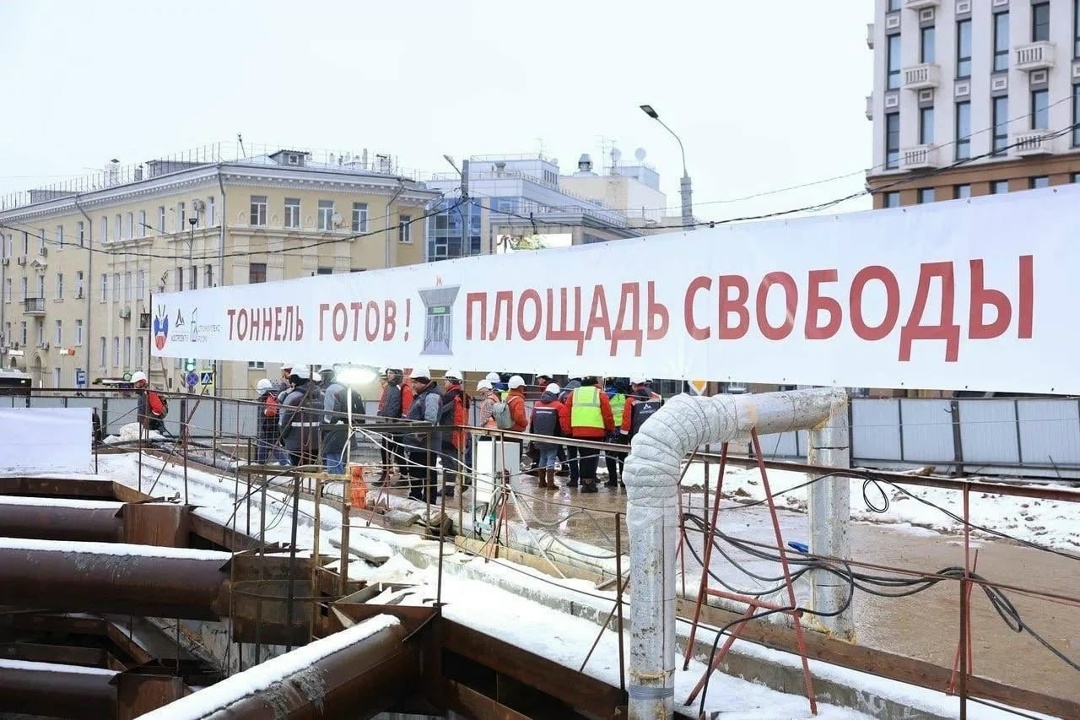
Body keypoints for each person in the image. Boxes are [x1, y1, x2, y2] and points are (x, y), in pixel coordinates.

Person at [564, 375, 614, 493]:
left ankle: (584, 480)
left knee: (583, 457)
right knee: (592, 458)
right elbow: (607, 414)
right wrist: (610, 429)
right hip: (596, 431)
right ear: (595, 383)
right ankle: (588, 483)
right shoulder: (600, 394)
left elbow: (566, 414)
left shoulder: (574, 394)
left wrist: (568, 430)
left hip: (578, 431)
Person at [403, 368, 443, 503]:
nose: (412, 385)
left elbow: (430, 421)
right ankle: (416, 496)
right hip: (418, 444)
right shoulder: (423, 395)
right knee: (416, 471)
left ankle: (428, 501)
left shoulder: (431, 397)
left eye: (415, 382)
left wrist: (418, 435)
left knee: (427, 472)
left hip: (425, 444)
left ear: (423, 381)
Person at [279, 366, 323, 467]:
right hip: (316, 443)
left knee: (297, 471)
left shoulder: (292, 397)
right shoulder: (321, 396)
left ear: (296, 379)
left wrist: (282, 438)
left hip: (295, 444)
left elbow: (283, 423)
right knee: (311, 470)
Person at [529, 383, 568, 489]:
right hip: (553, 437)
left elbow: (532, 420)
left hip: (539, 436)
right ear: (557, 394)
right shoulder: (559, 406)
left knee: (542, 457)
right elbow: (563, 422)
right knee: (551, 457)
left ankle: (541, 482)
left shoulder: (537, 404)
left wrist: (532, 435)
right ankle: (550, 483)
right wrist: (565, 434)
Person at [438, 370, 469, 498]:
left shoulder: (449, 397)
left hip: (448, 434)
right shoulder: (463, 396)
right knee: (455, 460)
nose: (444, 383)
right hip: (459, 434)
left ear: (451, 381)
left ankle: (449, 488)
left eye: (446, 380)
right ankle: (456, 483)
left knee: (448, 463)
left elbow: (439, 413)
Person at [376, 368, 410, 483]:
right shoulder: (388, 388)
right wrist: (379, 416)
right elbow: (383, 403)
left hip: (398, 426)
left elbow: (406, 408)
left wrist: (402, 421)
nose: (388, 375)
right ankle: (385, 474)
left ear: (397, 374)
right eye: (388, 373)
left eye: (391, 373)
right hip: (387, 424)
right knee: (384, 450)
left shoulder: (404, 388)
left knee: (398, 451)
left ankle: (404, 475)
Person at [320, 366, 351, 474]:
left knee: (332, 455)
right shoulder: (343, 387)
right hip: (345, 426)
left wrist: (325, 425)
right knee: (340, 456)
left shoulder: (331, 389)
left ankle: (335, 479)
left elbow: (329, 413)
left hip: (334, 428)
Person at [557, 375, 583, 485]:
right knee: (584, 455)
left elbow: (561, 411)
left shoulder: (563, 394)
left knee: (572, 455)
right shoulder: (583, 393)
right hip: (581, 427)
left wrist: (565, 428)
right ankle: (585, 478)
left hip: (568, 429)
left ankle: (574, 479)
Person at [604, 378, 629, 488]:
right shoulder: (625, 396)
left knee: (610, 455)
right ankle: (623, 480)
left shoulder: (606, 396)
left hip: (611, 429)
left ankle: (612, 480)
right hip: (622, 429)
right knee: (623, 455)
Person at [132, 371, 169, 435]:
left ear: (142, 382)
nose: (134, 385)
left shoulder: (149, 393)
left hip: (153, 428)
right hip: (148, 428)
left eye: (136, 383)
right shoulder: (142, 394)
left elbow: (158, 409)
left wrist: (147, 421)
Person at [254, 378, 280, 464]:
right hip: (271, 429)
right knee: (272, 448)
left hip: (267, 429)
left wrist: (265, 411)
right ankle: (261, 466)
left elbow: (271, 412)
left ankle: (261, 467)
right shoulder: (273, 396)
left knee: (270, 449)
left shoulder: (268, 398)